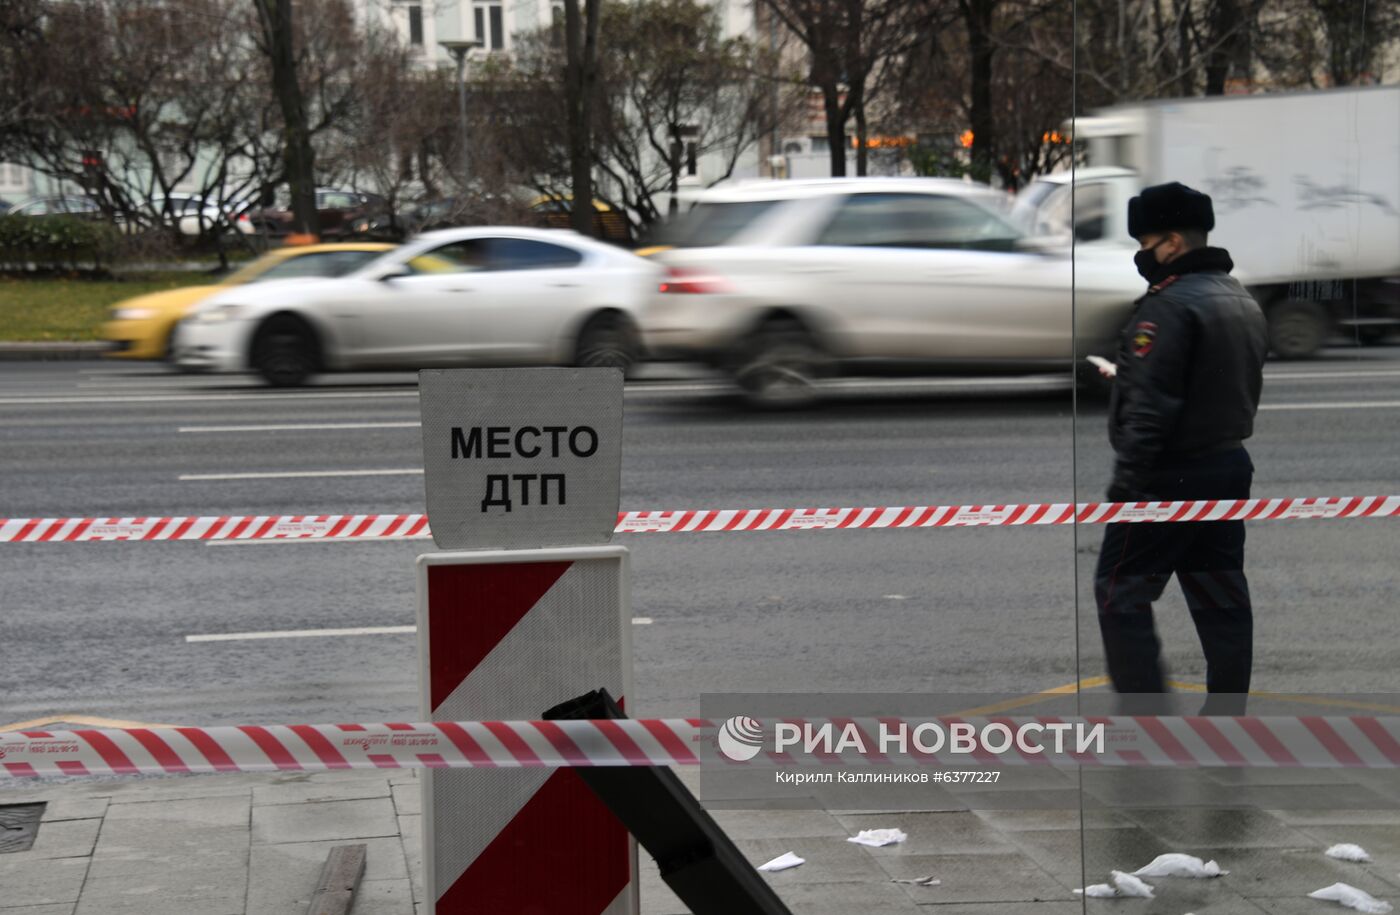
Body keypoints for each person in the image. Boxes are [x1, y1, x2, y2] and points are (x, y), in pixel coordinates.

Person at [1094, 181, 1269, 716]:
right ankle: (1226, 713)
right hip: (1227, 464)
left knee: (1120, 591)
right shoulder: (1238, 296)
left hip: (1167, 475)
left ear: (1171, 242)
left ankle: (1146, 720)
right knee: (1219, 592)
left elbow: (1153, 409)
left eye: (1146, 242)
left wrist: (1125, 487)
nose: (1142, 254)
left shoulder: (1166, 308)